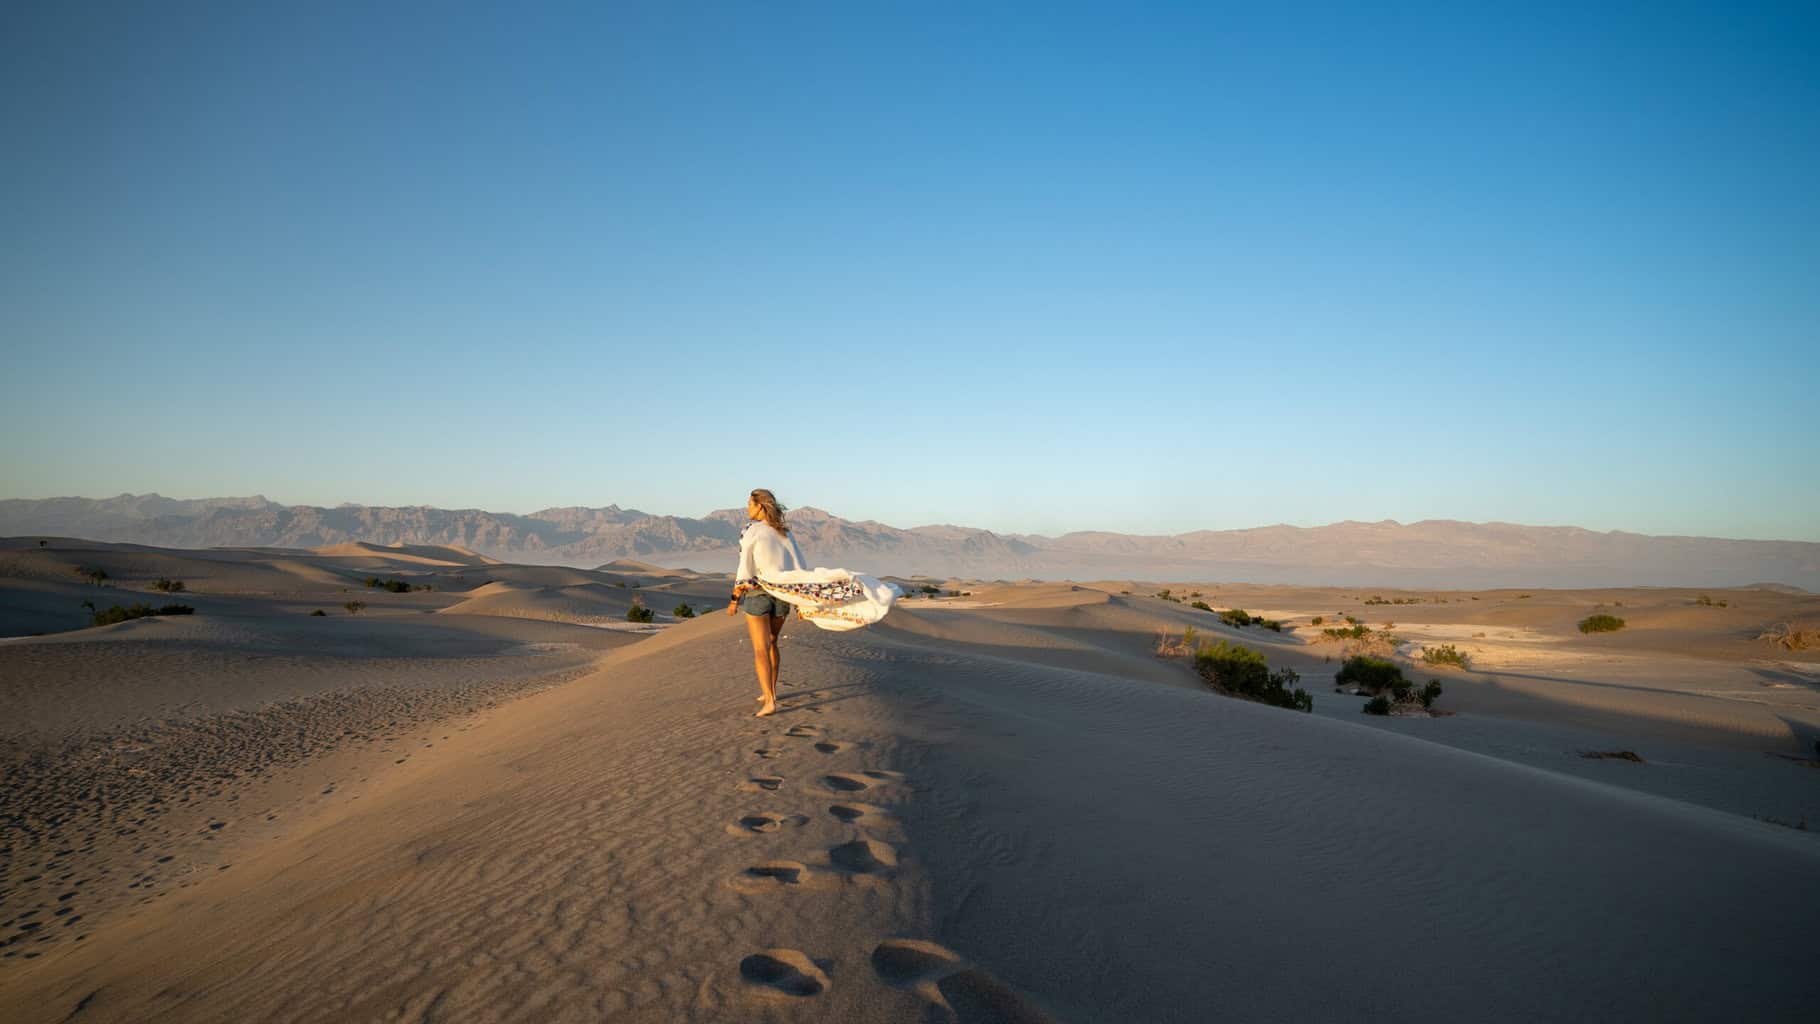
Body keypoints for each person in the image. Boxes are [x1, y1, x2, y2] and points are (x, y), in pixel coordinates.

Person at [726, 488, 807, 716]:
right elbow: (799, 566)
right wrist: (800, 602)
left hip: (757, 594)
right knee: (772, 642)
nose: (747, 508)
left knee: (760, 649)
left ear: (760, 506)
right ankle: (771, 691)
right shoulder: (785, 532)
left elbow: (745, 567)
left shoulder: (751, 531)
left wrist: (734, 599)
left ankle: (769, 701)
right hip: (782, 596)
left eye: (750, 504)